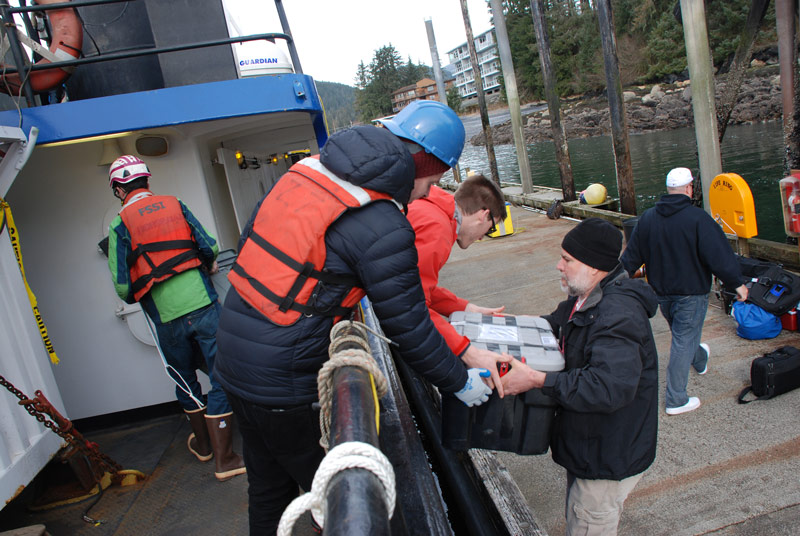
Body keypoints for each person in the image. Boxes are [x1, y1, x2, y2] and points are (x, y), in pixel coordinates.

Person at [214, 100, 493, 535]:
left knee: (268, 494)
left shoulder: (305, 172)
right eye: (434, 181)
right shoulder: (383, 220)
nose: (426, 194)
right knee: (345, 505)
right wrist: (458, 380)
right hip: (284, 385)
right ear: (424, 162)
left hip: (232, 361)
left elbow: (255, 240)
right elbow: (407, 323)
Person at [501, 217, 659, 536]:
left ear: (594, 266)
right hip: (589, 445)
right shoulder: (584, 297)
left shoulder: (618, 316)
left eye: (568, 260)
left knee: (587, 521)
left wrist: (537, 379)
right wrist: (509, 325)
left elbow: (608, 387)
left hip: (605, 457)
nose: (559, 266)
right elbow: (555, 323)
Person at [106, 155, 245, 482]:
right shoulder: (175, 203)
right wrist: (205, 263)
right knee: (220, 372)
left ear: (118, 189)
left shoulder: (118, 225)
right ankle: (226, 459)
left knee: (184, 378)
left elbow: (123, 287)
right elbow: (208, 245)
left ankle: (204, 445)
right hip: (203, 305)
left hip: (165, 318)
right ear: (147, 182)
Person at [620, 167, 748, 416]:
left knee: (683, 335)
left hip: (661, 293)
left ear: (669, 190)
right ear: (689, 188)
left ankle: (699, 358)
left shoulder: (647, 218)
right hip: (692, 293)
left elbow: (631, 257)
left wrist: (611, 282)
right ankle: (676, 399)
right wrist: (737, 284)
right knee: (682, 340)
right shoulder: (698, 219)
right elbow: (719, 257)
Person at [407, 173, 513, 395]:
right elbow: (412, 306)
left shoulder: (432, 205)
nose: (483, 237)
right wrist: (468, 352)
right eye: (491, 229)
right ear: (483, 216)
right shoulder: (437, 229)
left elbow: (414, 285)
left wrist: (466, 308)